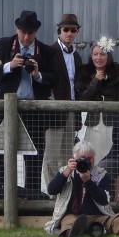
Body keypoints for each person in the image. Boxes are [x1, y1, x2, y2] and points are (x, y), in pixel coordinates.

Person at [0, 10, 58, 199]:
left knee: (34, 156)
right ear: (17, 29)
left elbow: (55, 78)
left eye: (30, 34)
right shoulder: (5, 44)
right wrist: (10, 65)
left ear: (36, 33)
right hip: (6, 110)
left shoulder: (46, 51)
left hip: (34, 111)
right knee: (1, 153)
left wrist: (37, 75)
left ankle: (31, 197)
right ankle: (2, 195)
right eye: (23, 32)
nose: (26, 37)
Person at [44, 140, 119, 237]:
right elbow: (52, 190)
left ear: (94, 157)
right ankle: (70, 233)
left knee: (118, 219)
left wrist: (88, 182)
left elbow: (104, 200)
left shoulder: (101, 174)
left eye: (89, 158)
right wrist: (66, 173)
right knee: (68, 221)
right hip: (73, 215)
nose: (87, 162)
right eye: (82, 159)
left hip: (97, 216)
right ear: (74, 159)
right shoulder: (66, 172)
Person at [75, 36, 119, 162]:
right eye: (95, 54)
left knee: (111, 162)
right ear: (91, 56)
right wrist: (96, 80)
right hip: (93, 123)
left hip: (113, 124)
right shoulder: (85, 73)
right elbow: (84, 98)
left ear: (108, 56)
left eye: (102, 54)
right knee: (91, 159)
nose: (98, 58)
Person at [42, 13, 84, 186]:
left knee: (67, 156)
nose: (69, 33)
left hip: (72, 110)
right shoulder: (50, 52)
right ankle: (54, 192)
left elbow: (77, 88)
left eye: (73, 30)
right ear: (59, 31)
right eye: (66, 30)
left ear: (77, 32)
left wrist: (78, 115)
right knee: (51, 156)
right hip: (54, 110)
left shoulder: (77, 56)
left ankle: (65, 193)